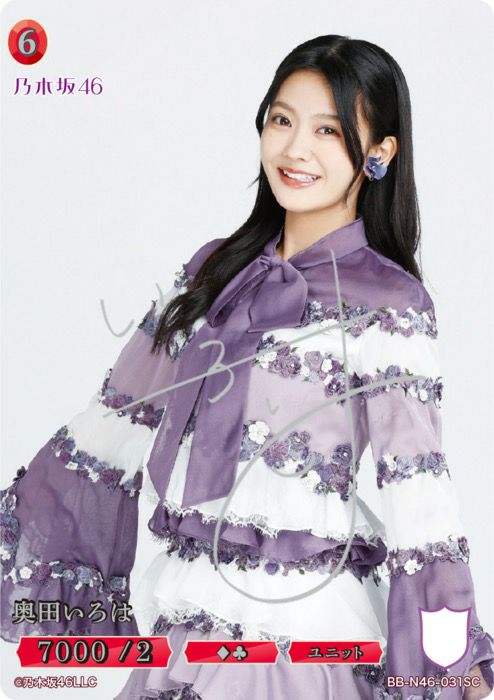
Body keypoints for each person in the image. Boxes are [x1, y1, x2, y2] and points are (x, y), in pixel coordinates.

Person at [1, 34, 492, 700]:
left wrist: (447, 659)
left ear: (379, 153)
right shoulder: (214, 272)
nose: (295, 148)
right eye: (282, 120)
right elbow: (112, 427)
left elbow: (417, 488)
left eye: (328, 130)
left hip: (298, 631)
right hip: (187, 620)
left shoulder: (390, 304)